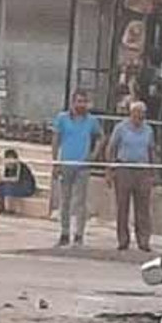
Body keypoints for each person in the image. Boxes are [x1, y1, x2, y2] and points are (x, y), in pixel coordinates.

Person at [103, 100, 156, 252]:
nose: (139, 116)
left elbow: (151, 150)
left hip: (142, 170)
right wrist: (109, 170)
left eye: (142, 113)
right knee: (122, 206)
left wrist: (153, 173)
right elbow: (111, 148)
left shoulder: (148, 130)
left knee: (143, 208)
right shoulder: (120, 128)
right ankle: (123, 240)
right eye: (137, 112)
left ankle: (143, 240)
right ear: (131, 113)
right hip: (124, 169)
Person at [51, 90, 102, 247]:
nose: (81, 105)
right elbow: (56, 140)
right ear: (72, 102)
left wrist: (94, 154)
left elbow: (100, 137)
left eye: (84, 101)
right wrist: (55, 162)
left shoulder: (91, 121)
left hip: (83, 166)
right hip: (66, 163)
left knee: (80, 202)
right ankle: (64, 233)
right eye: (78, 101)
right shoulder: (62, 118)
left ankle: (79, 234)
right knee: (65, 201)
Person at [0, 148, 36, 215]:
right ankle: (1, 207)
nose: (9, 160)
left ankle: (12, 209)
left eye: (11, 158)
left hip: (26, 187)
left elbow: (16, 179)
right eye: (7, 158)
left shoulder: (20, 166)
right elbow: (5, 177)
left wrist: (3, 179)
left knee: (8, 188)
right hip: (15, 185)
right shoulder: (7, 166)